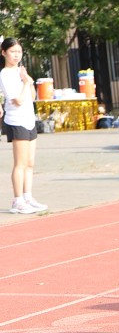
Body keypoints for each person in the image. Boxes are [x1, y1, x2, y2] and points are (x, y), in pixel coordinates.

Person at [1, 37, 47, 214]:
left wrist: (28, 80)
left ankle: (28, 197)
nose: (16, 55)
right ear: (4, 52)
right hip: (16, 120)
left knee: (30, 162)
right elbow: (18, 100)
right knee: (20, 163)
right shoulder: (5, 74)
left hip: (29, 120)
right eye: (12, 51)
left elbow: (32, 97)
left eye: (19, 52)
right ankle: (17, 200)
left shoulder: (20, 71)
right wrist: (25, 82)